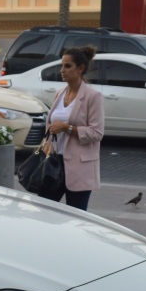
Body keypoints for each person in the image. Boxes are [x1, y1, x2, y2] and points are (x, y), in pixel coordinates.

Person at [45, 45, 105, 210]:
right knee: (45, 213)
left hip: (80, 168)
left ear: (81, 68)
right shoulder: (60, 93)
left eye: (67, 66)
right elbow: (51, 123)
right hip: (54, 164)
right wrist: (47, 142)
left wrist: (67, 127)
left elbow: (97, 132)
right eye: (62, 65)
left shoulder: (93, 96)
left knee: (76, 218)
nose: (62, 70)